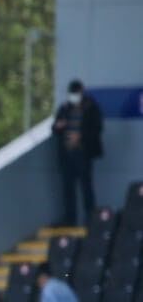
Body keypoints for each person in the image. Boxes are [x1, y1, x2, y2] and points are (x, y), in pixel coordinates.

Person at [52, 80, 104, 226]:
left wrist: (80, 136)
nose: (74, 96)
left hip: (83, 153)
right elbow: (54, 128)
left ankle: (90, 218)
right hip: (67, 154)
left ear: (82, 92)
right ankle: (70, 218)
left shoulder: (91, 108)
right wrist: (59, 126)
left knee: (86, 186)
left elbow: (97, 129)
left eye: (76, 93)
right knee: (68, 188)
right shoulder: (64, 108)